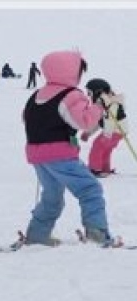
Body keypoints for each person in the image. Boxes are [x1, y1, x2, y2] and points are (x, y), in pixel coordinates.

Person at [21, 50, 115, 247]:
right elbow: (84, 121)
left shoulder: (37, 94)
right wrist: (99, 106)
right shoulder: (71, 95)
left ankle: (37, 235)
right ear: (73, 72)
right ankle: (97, 234)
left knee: (52, 197)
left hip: (37, 155)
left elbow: (26, 118)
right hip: (61, 154)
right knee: (90, 189)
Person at [81, 78, 128, 178]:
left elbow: (110, 121)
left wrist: (106, 136)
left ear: (97, 92)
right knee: (105, 149)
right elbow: (100, 122)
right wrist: (88, 133)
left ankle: (94, 168)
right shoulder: (105, 103)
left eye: (90, 92)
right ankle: (104, 168)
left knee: (98, 145)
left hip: (115, 131)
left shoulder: (112, 104)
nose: (89, 96)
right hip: (116, 131)